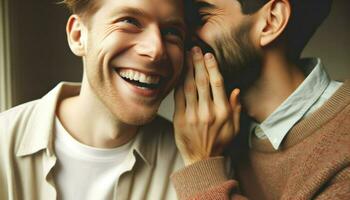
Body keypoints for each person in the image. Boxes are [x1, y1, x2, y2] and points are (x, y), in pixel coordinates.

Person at [0, 0, 201, 199]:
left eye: (173, 32)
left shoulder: (197, 163)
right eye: (129, 21)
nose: (156, 50)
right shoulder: (3, 142)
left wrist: (202, 170)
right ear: (78, 36)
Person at [170, 0, 350, 199]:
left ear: (271, 21)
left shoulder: (344, 148)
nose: (184, 36)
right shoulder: (218, 131)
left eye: (202, 17)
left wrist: (201, 165)